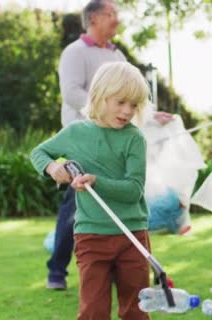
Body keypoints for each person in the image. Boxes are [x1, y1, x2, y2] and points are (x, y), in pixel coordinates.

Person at [48, 0, 171, 290]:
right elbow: (71, 92)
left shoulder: (116, 53)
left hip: (115, 136)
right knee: (76, 206)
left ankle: (124, 265)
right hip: (87, 140)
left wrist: (151, 115)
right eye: (111, 14)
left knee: (115, 193)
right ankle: (56, 270)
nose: (117, 19)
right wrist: (97, 116)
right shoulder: (75, 53)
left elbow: (129, 94)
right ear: (93, 18)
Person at [31, 61, 151, 320]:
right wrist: (53, 168)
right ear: (99, 95)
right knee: (93, 311)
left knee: (136, 311)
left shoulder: (134, 139)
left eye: (134, 104)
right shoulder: (75, 132)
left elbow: (133, 190)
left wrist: (97, 182)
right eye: (121, 102)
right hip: (91, 236)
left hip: (132, 235)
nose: (128, 111)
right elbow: (38, 152)